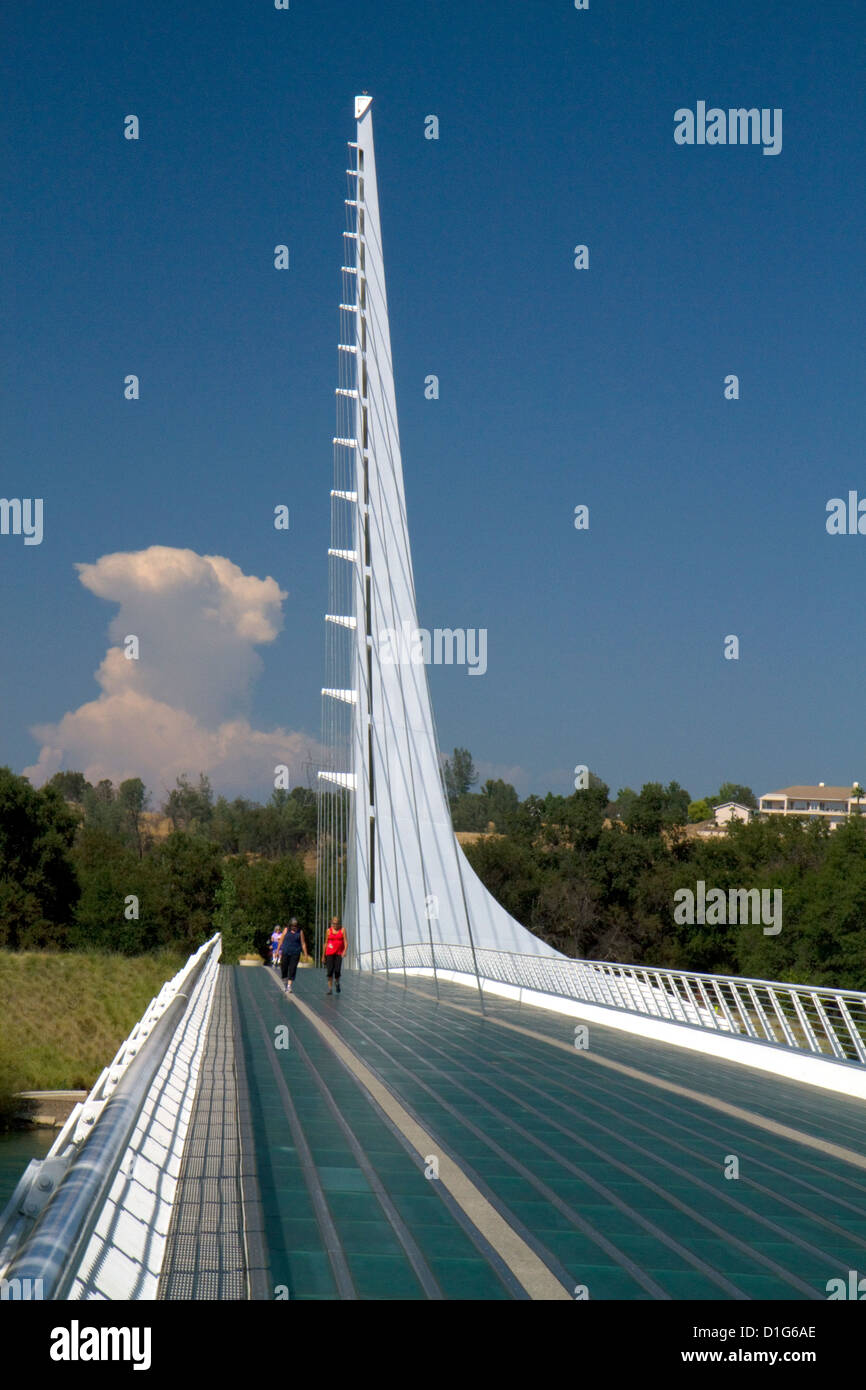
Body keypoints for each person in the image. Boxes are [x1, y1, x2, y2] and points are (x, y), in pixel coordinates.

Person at [279, 918, 307, 994]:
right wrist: (278, 950)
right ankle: (285, 982)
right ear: (290, 925)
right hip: (286, 952)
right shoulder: (286, 930)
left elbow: (303, 943)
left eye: (296, 926)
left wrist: (305, 954)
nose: (294, 927)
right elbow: (281, 940)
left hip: (295, 953)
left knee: (292, 968)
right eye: (293, 926)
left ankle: (289, 986)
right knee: (284, 968)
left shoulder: (300, 932)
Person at [324, 917, 346, 994]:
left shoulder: (342, 930)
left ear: (339, 924)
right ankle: (330, 989)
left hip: (339, 953)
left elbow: (346, 942)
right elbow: (326, 943)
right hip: (329, 953)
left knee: (337, 971)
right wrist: (323, 956)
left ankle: (337, 983)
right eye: (334, 923)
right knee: (329, 971)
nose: (335, 925)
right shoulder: (328, 931)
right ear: (331, 923)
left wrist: (344, 951)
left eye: (337, 923)